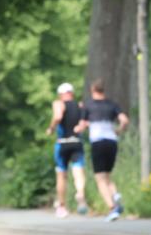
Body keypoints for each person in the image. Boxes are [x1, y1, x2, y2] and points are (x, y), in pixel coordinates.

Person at [77, 79, 130, 222]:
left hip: (98, 142)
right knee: (107, 175)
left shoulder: (88, 106)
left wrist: (78, 129)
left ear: (92, 89)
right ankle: (116, 194)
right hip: (112, 141)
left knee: (100, 178)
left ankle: (112, 208)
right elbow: (124, 120)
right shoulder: (112, 105)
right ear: (103, 90)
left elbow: (81, 125)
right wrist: (119, 130)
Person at [46, 82, 87, 217]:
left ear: (60, 94)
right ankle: (80, 193)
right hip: (77, 142)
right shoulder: (80, 105)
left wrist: (51, 128)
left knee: (61, 175)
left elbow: (58, 116)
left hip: (63, 142)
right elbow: (84, 123)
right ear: (72, 93)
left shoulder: (59, 104)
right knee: (78, 171)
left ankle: (62, 206)